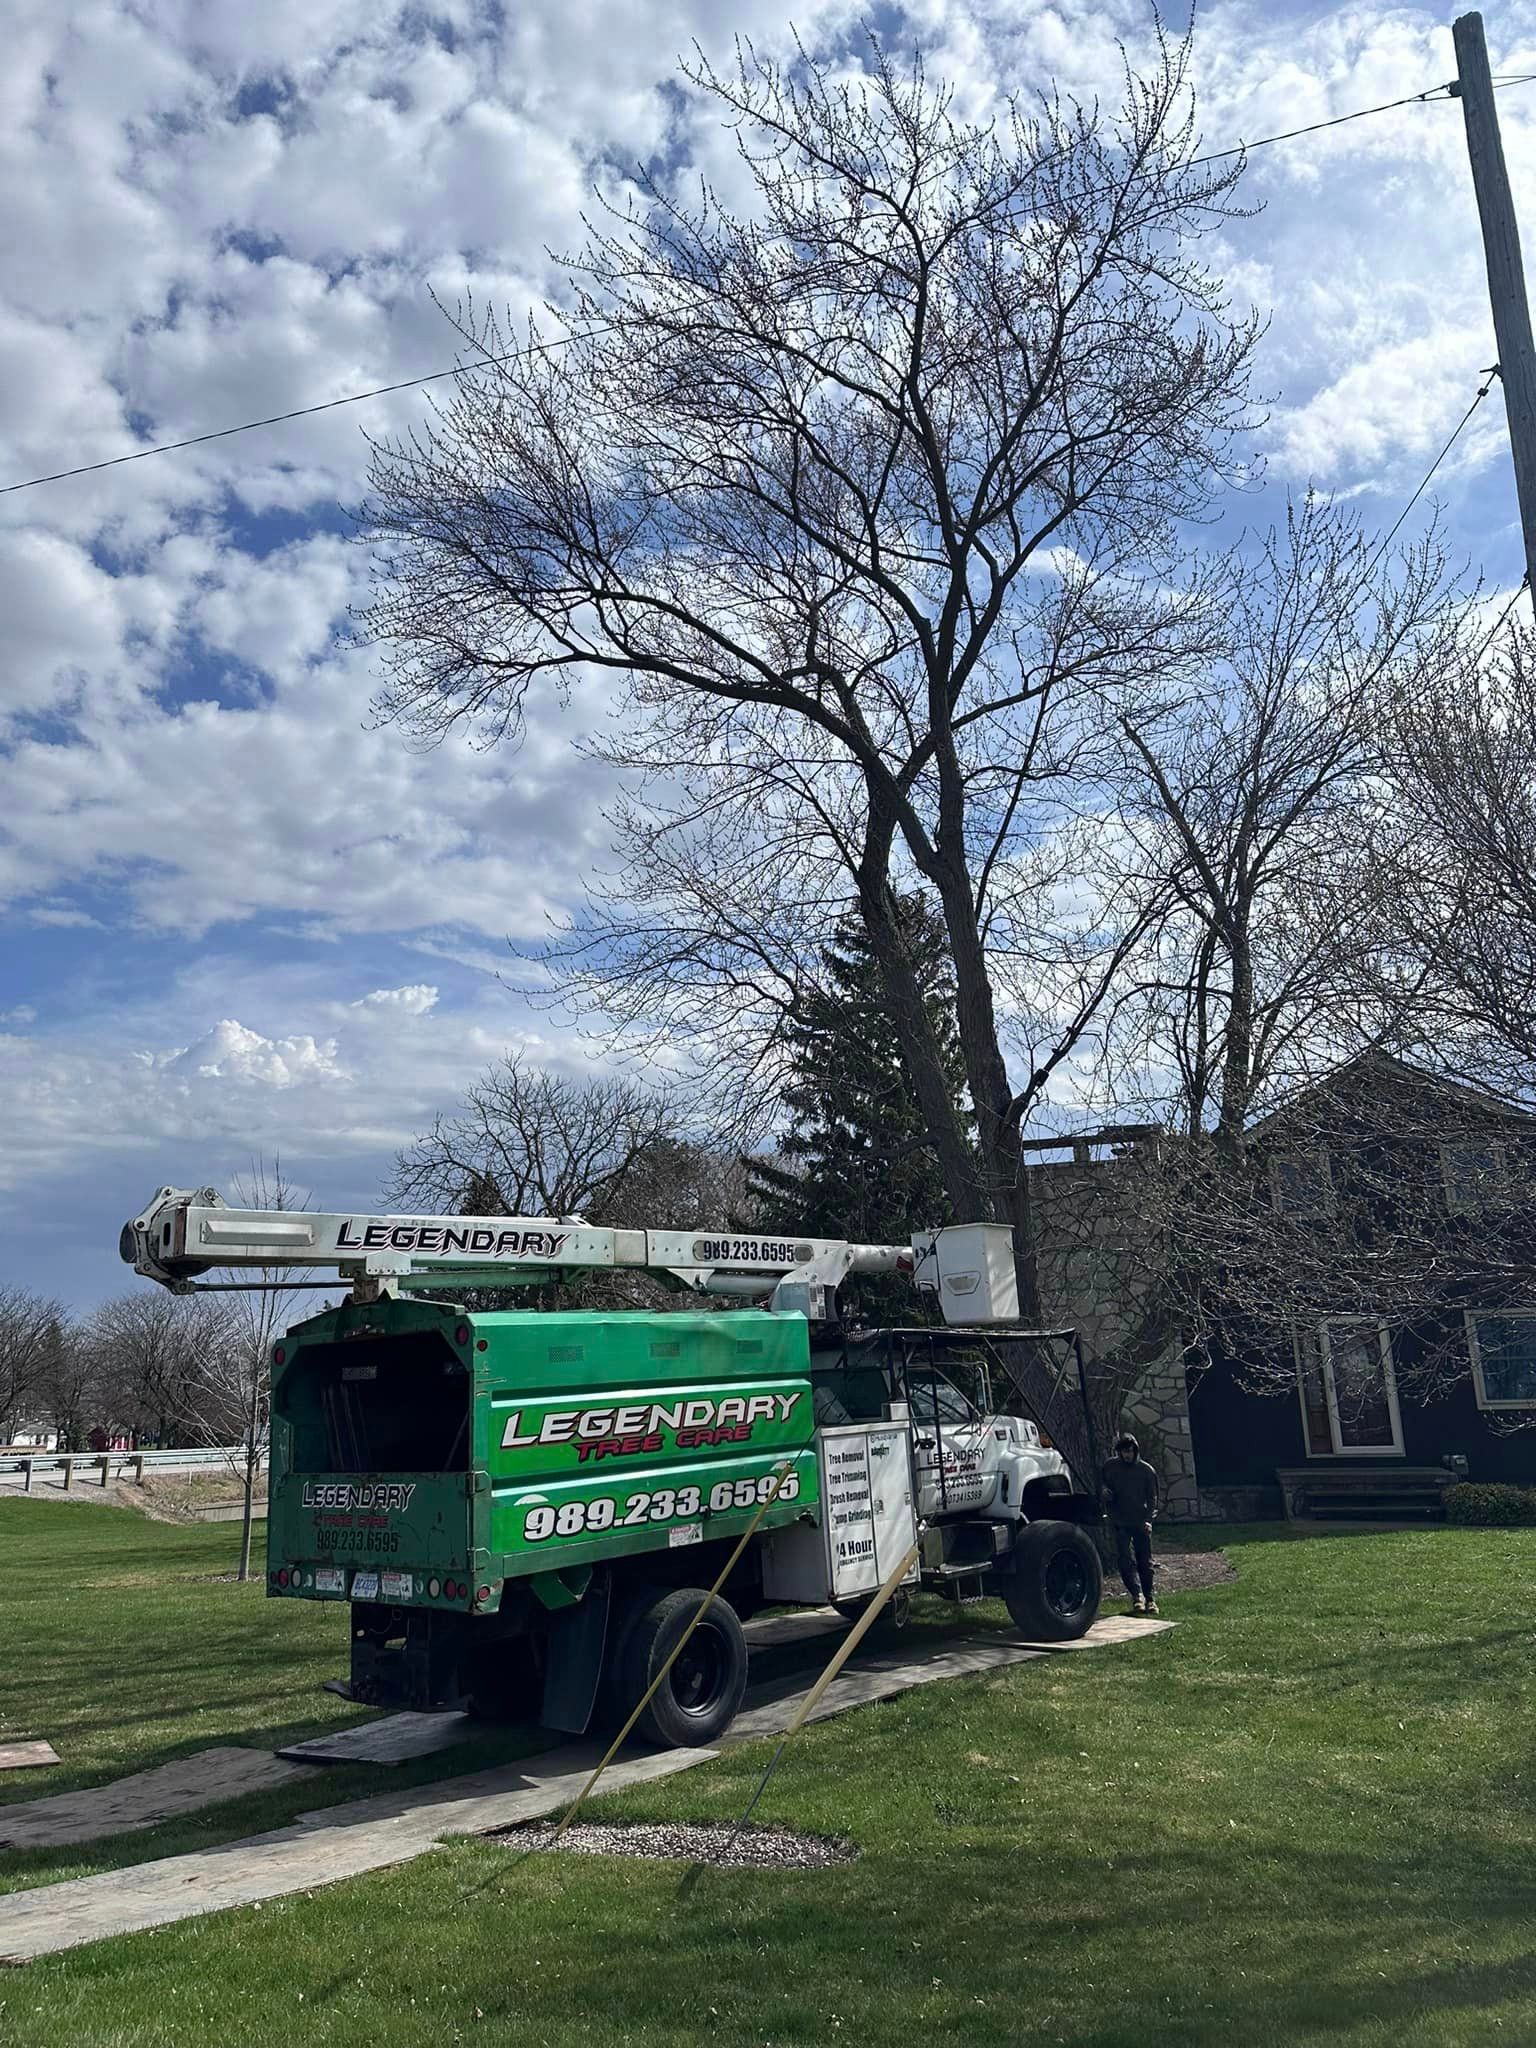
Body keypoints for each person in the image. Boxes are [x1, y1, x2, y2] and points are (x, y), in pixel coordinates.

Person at [1100, 1432, 1159, 1616]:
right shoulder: (1111, 1467)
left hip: (1140, 1520)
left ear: (1135, 1451)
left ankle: (1150, 1598)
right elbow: (1101, 1482)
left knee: (1145, 1562)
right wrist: (1104, 1492)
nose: (1127, 1455)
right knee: (1125, 1560)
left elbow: (1153, 1498)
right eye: (1124, 1452)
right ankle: (1136, 1596)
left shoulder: (1146, 1470)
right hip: (1120, 1520)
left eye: (1130, 1452)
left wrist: (1149, 1520)